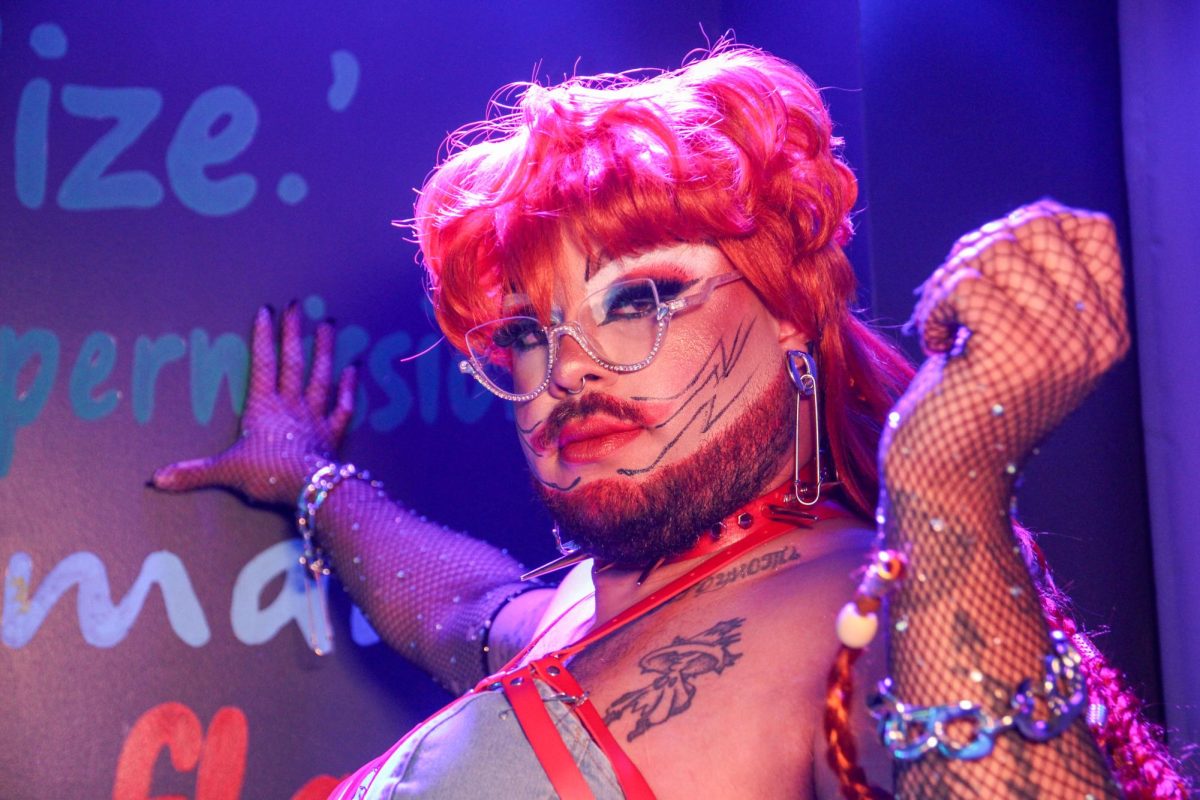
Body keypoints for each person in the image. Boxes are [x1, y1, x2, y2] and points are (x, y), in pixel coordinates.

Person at [152, 46, 1188, 799]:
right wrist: (310, 476)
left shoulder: (866, 618)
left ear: (791, 315)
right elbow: (460, 605)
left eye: (641, 297)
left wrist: (949, 483)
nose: (565, 368)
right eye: (526, 329)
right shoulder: (575, 615)